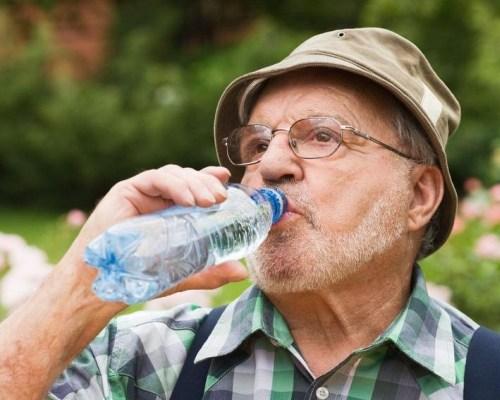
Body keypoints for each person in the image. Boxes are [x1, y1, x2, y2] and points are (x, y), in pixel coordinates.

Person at [0, 27, 484, 399]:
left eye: (322, 136)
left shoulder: (485, 379)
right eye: (257, 143)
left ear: (419, 196)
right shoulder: (141, 363)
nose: (269, 165)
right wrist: (80, 284)